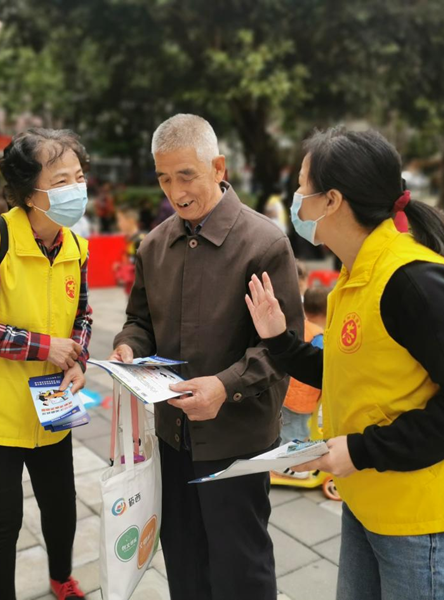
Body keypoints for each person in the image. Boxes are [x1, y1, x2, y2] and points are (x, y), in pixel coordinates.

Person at [245, 127, 444, 599]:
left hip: (426, 525)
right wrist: (279, 341)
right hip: (370, 499)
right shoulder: (356, 276)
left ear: (332, 201)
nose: (295, 200)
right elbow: (349, 371)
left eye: (301, 187)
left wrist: (361, 451)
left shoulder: (412, 281)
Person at [110, 114, 304, 599]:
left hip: (236, 438)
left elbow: (284, 348)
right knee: (184, 560)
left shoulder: (264, 244)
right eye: (164, 178)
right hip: (173, 434)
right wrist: (129, 347)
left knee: (241, 568)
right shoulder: (154, 246)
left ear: (218, 167)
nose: (175, 192)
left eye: (186, 175)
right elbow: (140, 321)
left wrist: (225, 386)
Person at [0, 128, 92, 600]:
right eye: (62, 180)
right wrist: (42, 347)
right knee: (1, 520)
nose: (77, 189)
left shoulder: (76, 246)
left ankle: (61, 578)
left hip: (52, 406)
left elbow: (82, 316)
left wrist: (77, 357)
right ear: (29, 192)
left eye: (79, 177)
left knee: (61, 505)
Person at [279, 286, 328, 446]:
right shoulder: (319, 337)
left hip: (287, 395)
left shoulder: (300, 327)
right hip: (303, 402)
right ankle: (286, 459)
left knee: (285, 430)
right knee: (296, 436)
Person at [113, 205, 145, 295]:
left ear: (130, 221)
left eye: (120, 220)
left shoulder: (141, 240)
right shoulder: (129, 240)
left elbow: (141, 266)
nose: (118, 224)